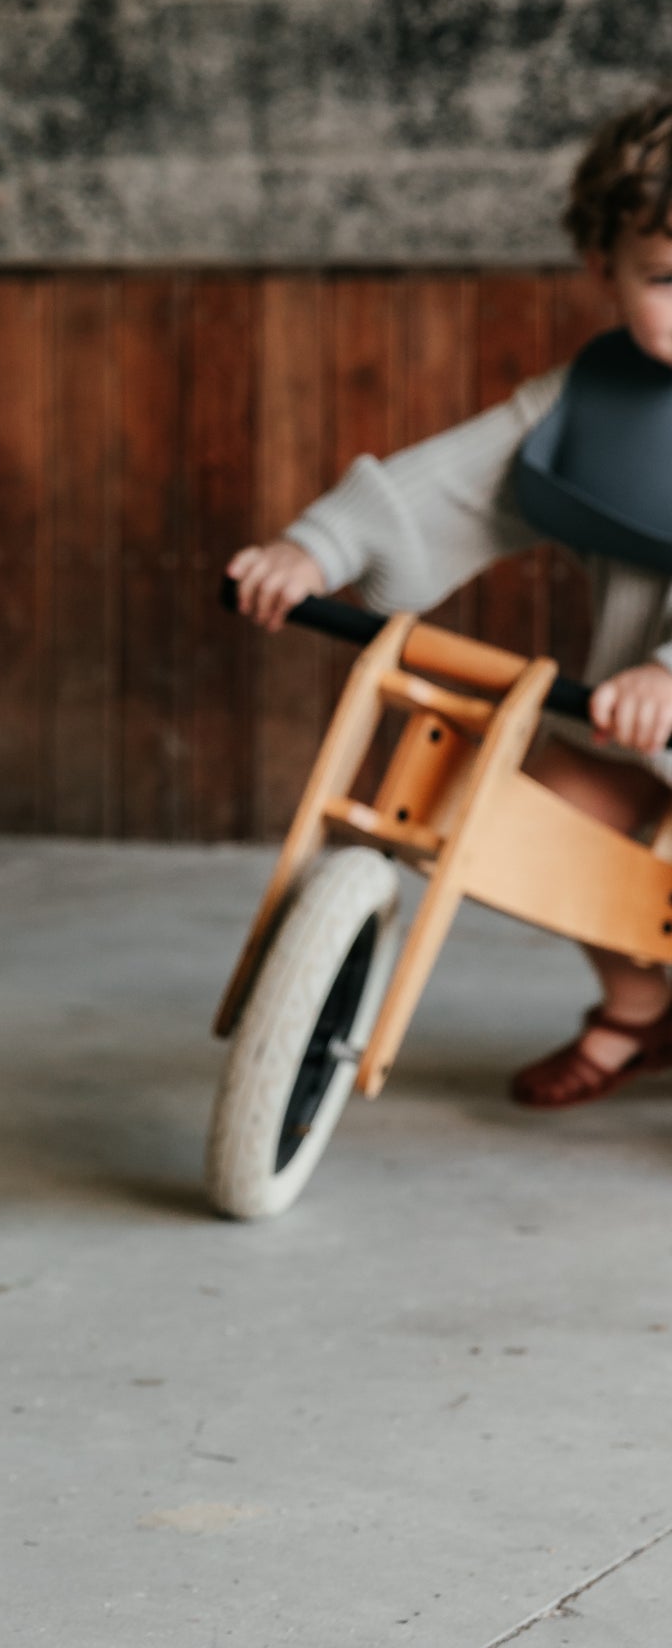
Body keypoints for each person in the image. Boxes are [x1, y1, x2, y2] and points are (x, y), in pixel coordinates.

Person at [230, 90, 672, 1112]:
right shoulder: (589, 396)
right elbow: (457, 482)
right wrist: (314, 550)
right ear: (598, 269)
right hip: (631, 723)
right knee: (534, 818)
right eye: (661, 276)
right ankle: (638, 1008)